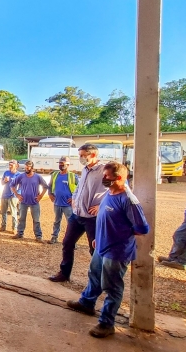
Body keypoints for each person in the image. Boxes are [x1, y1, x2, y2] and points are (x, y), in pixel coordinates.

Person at [67, 162, 149, 338]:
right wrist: (99, 238)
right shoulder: (108, 193)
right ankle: (87, 303)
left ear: (119, 178)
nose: (103, 178)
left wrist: (118, 237)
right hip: (101, 246)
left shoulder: (128, 200)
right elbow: (104, 219)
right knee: (94, 275)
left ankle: (106, 323)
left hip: (117, 252)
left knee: (111, 286)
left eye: (106, 176)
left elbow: (142, 229)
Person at [49, 144, 106, 282]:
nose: (80, 158)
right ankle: (64, 273)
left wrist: (101, 206)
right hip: (77, 215)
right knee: (67, 243)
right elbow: (79, 187)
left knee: (95, 249)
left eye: (82, 155)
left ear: (92, 155)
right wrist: (74, 198)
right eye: (79, 155)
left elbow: (119, 188)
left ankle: (96, 281)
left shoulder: (104, 170)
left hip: (92, 218)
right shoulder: (85, 169)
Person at [11, 160, 48, 241]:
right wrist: (17, 195)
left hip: (34, 202)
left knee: (36, 220)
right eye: (25, 167)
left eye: (28, 167)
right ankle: (20, 233)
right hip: (23, 202)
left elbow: (45, 186)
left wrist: (40, 196)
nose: (26, 168)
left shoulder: (37, 177)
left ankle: (38, 236)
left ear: (32, 168)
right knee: (21, 218)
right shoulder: (21, 176)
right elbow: (12, 185)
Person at [47, 156, 79, 244]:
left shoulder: (73, 176)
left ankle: (72, 241)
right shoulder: (54, 175)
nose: (60, 165)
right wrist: (50, 194)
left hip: (68, 205)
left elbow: (80, 189)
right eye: (60, 163)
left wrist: (74, 198)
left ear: (68, 165)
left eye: (62, 164)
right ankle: (54, 237)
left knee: (71, 222)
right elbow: (49, 186)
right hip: (57, 203)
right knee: (57, 221)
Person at [0, 160, 20, 234]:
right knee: (3, 212)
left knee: (13, 212)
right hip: (4, 194)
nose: (10, 166)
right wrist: (4, 181)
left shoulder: (18, 175)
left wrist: (17, 194)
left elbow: (21, 186)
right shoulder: (6, 173)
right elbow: (1, 183)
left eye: (12, 165)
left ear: (16, 165)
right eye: (9, 165)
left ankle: (14, 228)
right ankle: (3, 226)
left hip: (13, 196)